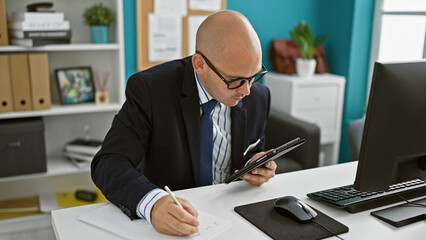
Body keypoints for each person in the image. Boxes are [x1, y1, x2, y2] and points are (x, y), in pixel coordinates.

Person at [91, 10, 277, 236]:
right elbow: (109, 162)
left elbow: (252, 150)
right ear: (199, 64)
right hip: (173, 222)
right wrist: (152, 203)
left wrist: (257, 166)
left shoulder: (258, 96)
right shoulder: (150, 90)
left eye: (254, 76)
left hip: (235, 218)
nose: (246, 90)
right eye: (235, 80)